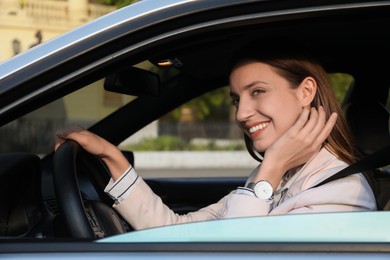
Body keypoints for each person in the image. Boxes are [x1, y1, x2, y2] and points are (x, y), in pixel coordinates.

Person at [55, 41, 377, 230]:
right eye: (237, 99)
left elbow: (227, 252)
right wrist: (109, 155)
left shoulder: (343, 193)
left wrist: (272, 169)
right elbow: (178, 231)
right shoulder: (283, 175)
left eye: (258, 91)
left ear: (306, 91)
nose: (241, 114)